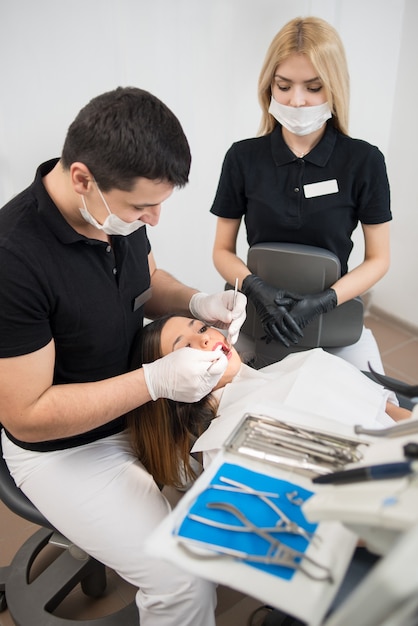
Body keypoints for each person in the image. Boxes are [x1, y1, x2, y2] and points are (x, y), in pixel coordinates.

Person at [0, 87, 247, 626]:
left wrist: (199, 300)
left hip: (132, 395)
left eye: (161, 203)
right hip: (65, 447)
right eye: (142, 206)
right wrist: (155, 381)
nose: (155, 219)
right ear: (83, 178)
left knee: (251, 476)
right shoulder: (14, 259)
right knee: (182, 581)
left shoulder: (118, 218)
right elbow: (27, 415)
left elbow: (149, 280)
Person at [210, 16, 392, 372]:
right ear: (269, 88)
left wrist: (324, 301)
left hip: (331, 320)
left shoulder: (364, 161)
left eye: (313, 87)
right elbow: (221, 250)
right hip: (256, 318)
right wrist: (256, 288)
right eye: (284, 86)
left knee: (376, 411)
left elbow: (379, 259)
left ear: (335, 88)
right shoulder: (242, 158)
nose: (296, 101)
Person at [127, 314, 411, 485]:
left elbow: (389, 412)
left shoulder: (302, 362)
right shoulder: (223, 443)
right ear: (171, 383)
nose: (204, 340)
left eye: (201, 329)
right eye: (185, 347)